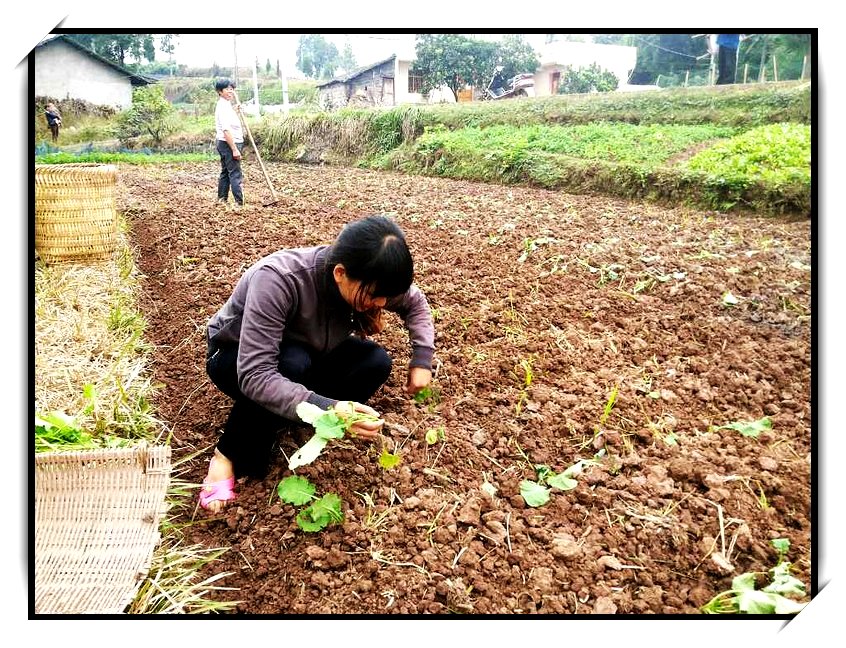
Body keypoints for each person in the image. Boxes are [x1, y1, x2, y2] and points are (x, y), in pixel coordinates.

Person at [199, 215, 436, 512]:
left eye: (385, 297)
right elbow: (256, 374)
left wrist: (422, 360)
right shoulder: (280, 279)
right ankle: (227, 454)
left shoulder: (371, 278)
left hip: (308, 353)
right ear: (340, 273)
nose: (380, 304)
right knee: (291, 364)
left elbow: (415, 302)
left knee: (375, 362)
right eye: (374, 296)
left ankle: (289, 410)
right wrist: (328, 407)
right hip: (236, 357)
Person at [214, 79, 245, 206]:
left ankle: (222, 199)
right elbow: (226, 130)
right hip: (228, 143)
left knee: (226, 172)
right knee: (235, 173)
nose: (230, 91)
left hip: (225, 142)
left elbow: (228, 120)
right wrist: (234, 149)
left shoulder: (226, 105)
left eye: (231, 88)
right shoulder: (222, 107)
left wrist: (234, 109)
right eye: (227, 89)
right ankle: (239, 202)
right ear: (220, 92)